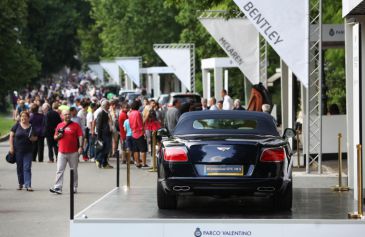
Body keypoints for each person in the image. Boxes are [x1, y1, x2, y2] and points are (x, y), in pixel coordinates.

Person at [50, 109, 83, 194]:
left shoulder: (76, 125)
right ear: (62, 116)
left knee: (74, 170)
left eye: (68, 114)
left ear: (70, 115)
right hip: (62, 152)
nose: (67, 116)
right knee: (59, 170)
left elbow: (80, 136)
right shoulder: (59, 125)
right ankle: (58, 187)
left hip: (73, 152)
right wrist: (59, 136)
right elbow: (55, 137)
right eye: (65, 115)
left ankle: (74, 187)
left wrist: (81, 146)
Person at [9, 111, 37, 191]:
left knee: (27, 168)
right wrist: (11, 147)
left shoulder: (32, 127)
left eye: (25, 116)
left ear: (28, 118)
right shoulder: (16, 126)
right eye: (22, 116)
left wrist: (32, 139)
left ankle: (28, 185)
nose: (23, 118)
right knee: (20, 167)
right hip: (18, 151)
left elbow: (36, 138)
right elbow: (11, 136)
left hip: (28, 150)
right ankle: (21, 183)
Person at [129, 100, 148, 168]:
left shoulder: (130, 113)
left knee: (135, 150)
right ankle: (143, 163)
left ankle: (137, 163)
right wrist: (144, 133)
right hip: (139, 133)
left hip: (133, 132)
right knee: (143, 149)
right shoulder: (138, 113)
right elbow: (140, 124)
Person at [95, 100, 113, 169]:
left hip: (107, 133)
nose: (109, 106)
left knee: (107, 149)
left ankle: (104, 163)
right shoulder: (101, 113)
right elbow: (98, 125)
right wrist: (99, 136)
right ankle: (99, 160)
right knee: (104, 148)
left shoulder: (107, 112)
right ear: (105, 105)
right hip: (103, 134)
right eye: (108, 105)